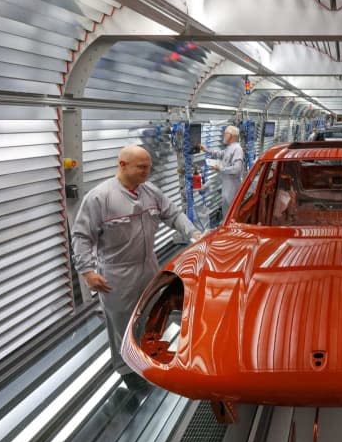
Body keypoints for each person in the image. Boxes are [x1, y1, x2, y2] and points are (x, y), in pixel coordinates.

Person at [71, 145, 198, 391]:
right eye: (141, 167)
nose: (147, 172)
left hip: (149, 267)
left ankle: (146, 359)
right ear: (122, 165)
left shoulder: (150, 192)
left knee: (149, 316)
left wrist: (194, 233)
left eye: (149, 166)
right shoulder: (100, 197)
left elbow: (173, 214)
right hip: (117, 273)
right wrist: (87, 272)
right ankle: (126, 369)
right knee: (120, 324)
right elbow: (82, 236)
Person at [201, 125, 244, 218]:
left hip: (232, 185)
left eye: (225, 134)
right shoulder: (230, 148)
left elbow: (237, 168)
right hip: (227, 184)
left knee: (231, 211)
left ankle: (231, 230)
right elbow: (219, 154)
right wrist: (206, 150)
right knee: (226, 210)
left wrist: (221, 169)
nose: (224, 136)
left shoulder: (237, 149)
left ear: (231, 135)